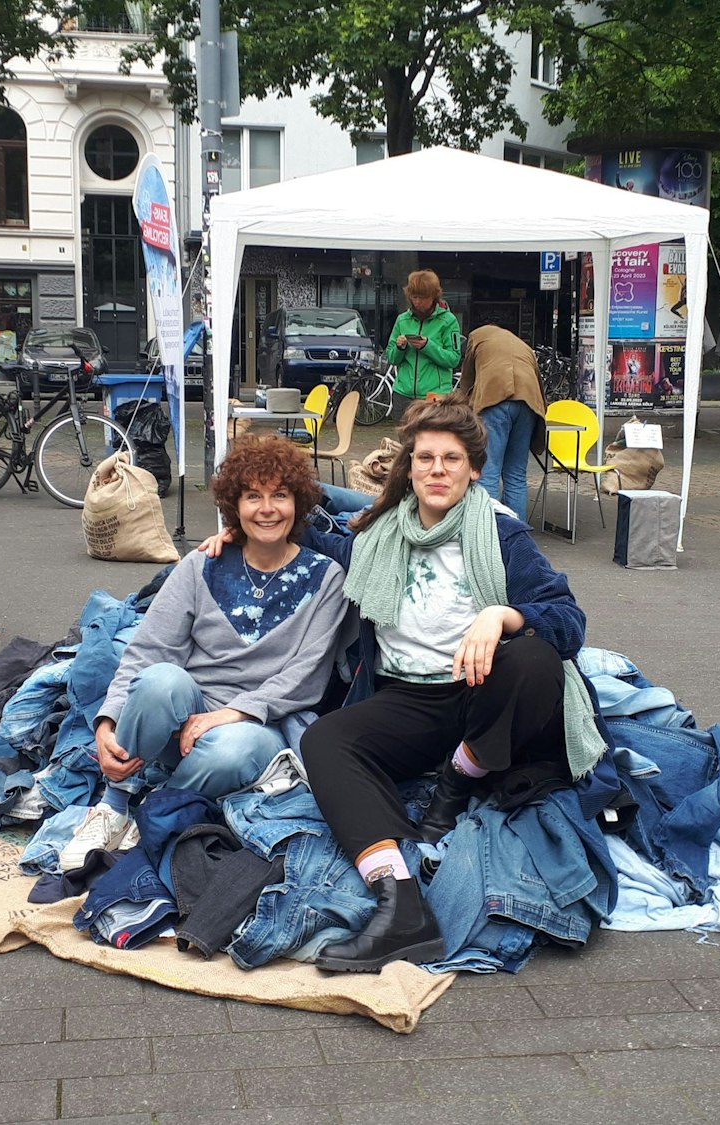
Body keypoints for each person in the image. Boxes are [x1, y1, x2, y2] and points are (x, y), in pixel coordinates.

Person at [241, 400, 601, 973]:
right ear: (409, 468)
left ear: (473, 470)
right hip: (409, 700)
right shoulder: (380, 538)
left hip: (485, 696)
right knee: (324, 741)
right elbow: (299, 532)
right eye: (426, 458)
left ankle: (460, 778)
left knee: (534, 656)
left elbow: (567, 620)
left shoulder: (502, 534)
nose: (437, 469)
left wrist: (501, 617)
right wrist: (239, 532)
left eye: (451, 459)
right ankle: (400, 904)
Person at [62, 436, 355, 872]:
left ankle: (154, 810)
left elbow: (305, 676)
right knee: (161, 680)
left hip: (255, 727)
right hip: (179, 722)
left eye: (280, 495)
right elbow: (148, 650)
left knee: (232, 751)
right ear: (233, 505)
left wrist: (231, 714)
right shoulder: (201, 565)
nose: (267, 508)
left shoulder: (325, 577)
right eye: (253, 496)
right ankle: (113, 805)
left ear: (299, 503)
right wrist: (108, 722)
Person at [451, 325, 546, 515]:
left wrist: (460, 407)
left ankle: (490, 534)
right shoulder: (522, 345)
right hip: (528, 403)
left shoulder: (476, 337)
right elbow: (539, 382)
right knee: (516, 474)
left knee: (489, 471)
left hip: (495, 400)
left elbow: (467, 380)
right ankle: (517, 535)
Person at [383, 270, 462, 406]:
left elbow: (453, 359)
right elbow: (391, 358)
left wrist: (427, 346)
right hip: (403, 394)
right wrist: (399, 348)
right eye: (414, 297)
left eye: (423, 297)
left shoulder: (448, 321)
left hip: (435, 395)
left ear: (433, 296)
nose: (418, 302)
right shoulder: (402, 320)